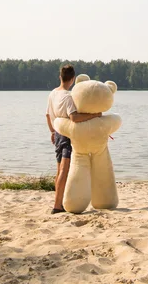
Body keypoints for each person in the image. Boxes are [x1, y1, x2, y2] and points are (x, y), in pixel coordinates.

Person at [46, 64, 100, 214]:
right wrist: (94, 115)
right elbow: (74, 117)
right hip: (66, 134)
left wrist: (52, 132)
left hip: (57, 133)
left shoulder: (53, 93)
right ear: (73, 79)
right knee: (64, 169)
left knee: (59, 170)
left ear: (60, 77)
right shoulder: (68, 96)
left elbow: (47, 115)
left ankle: (59, 202)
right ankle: (57, 206)